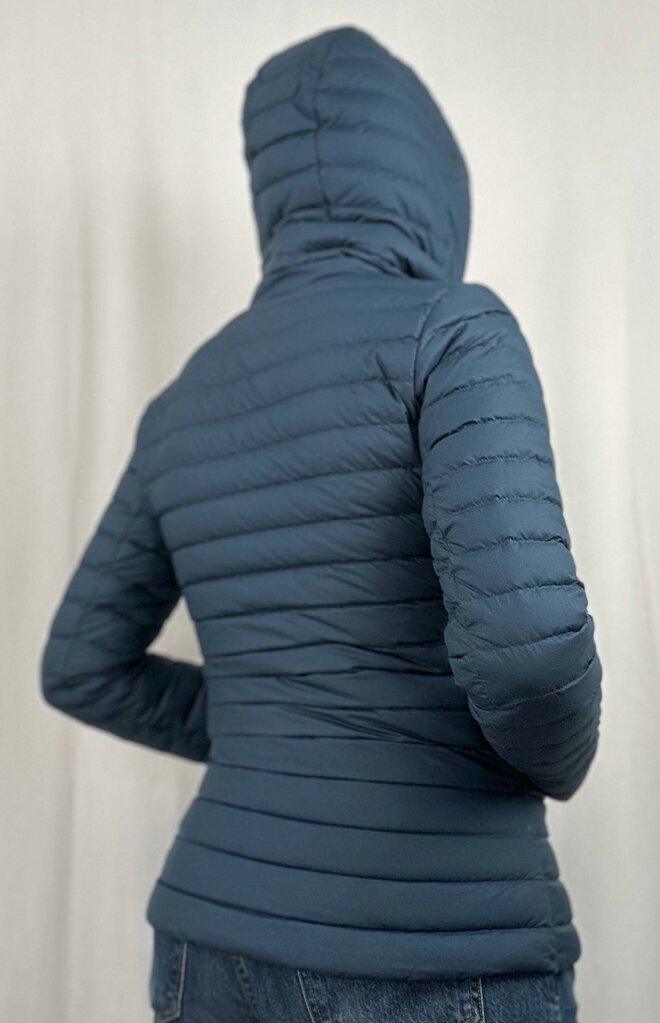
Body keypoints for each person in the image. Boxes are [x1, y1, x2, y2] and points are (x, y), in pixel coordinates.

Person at [40, 24, 602, 1023]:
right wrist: (550, 764)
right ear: (432, 180)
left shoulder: (182, 401)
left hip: (210, 938)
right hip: (432, 944)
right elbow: (529, 653)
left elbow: (80, 664)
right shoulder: (453, 330)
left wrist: (276, 733)